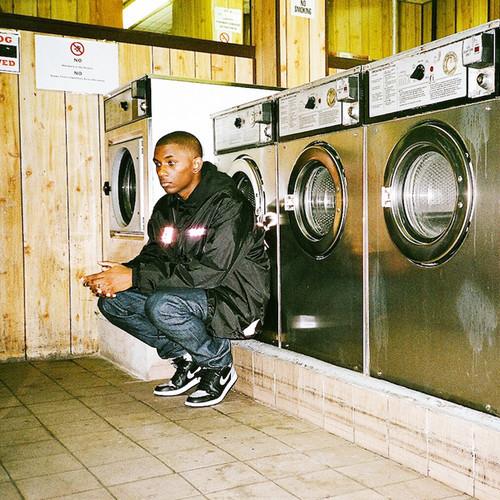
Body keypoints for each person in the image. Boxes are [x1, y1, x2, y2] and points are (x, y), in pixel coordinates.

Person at [83, 131, 270, 407]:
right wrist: (119, 275)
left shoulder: (228, 204)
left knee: (162, 305)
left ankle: (218, 364)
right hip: (194, 292)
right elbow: (155, 255)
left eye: (171, 163)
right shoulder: (166, 207)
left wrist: (134, 277)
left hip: (234, 297)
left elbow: (211, 271)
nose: (162, 172)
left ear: (195, 164)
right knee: (114, 303)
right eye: (158, 164)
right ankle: (186, 357)